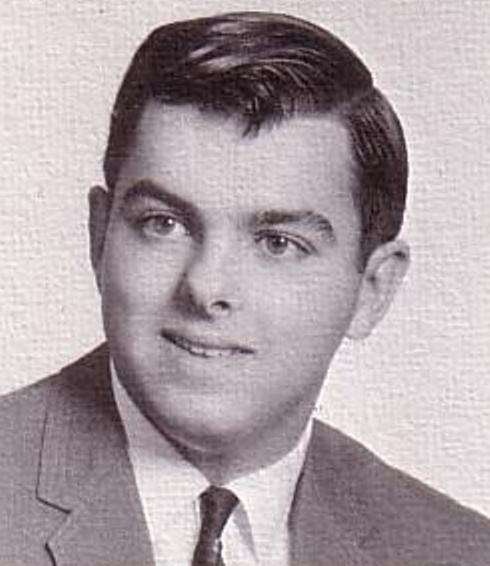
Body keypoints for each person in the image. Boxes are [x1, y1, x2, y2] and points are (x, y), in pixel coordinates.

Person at [0, 11, 489, 566]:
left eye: (278, 243)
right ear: (100, 235)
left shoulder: (462, 551)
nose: (206, 288)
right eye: (164, 224)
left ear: (373, 290)